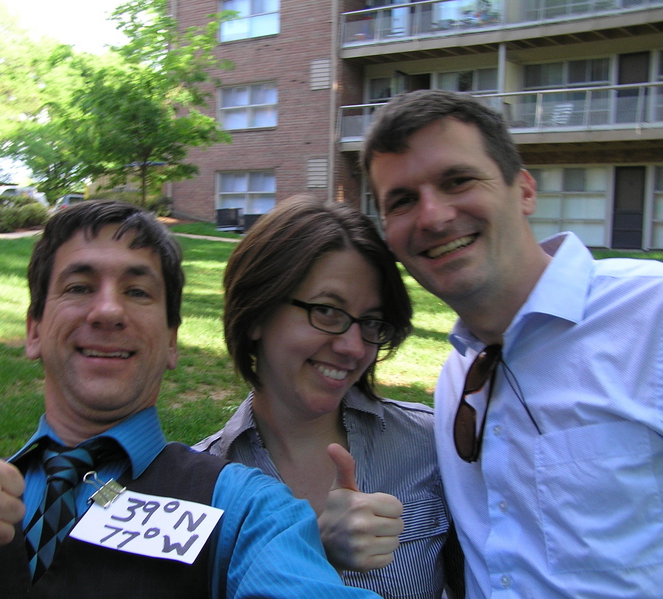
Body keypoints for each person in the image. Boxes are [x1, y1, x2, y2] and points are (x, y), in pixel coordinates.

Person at [361, 89, 663, 598]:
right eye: (401, 201)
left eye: (457, 180)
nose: (433, 217)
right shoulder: (455, 383)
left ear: (524, 190)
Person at [0, 200, 381, 598]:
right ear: (34, 330)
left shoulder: (247, 510)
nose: (107, 311)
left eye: (137, 291)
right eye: (79, 287)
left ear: (172, 342)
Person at [194, 195, 463, 599]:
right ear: (257, 314)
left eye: (370, 322)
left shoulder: (429, 444)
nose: (354, 347)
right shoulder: (202, 483)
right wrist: (312, 553)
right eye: (327, 312)